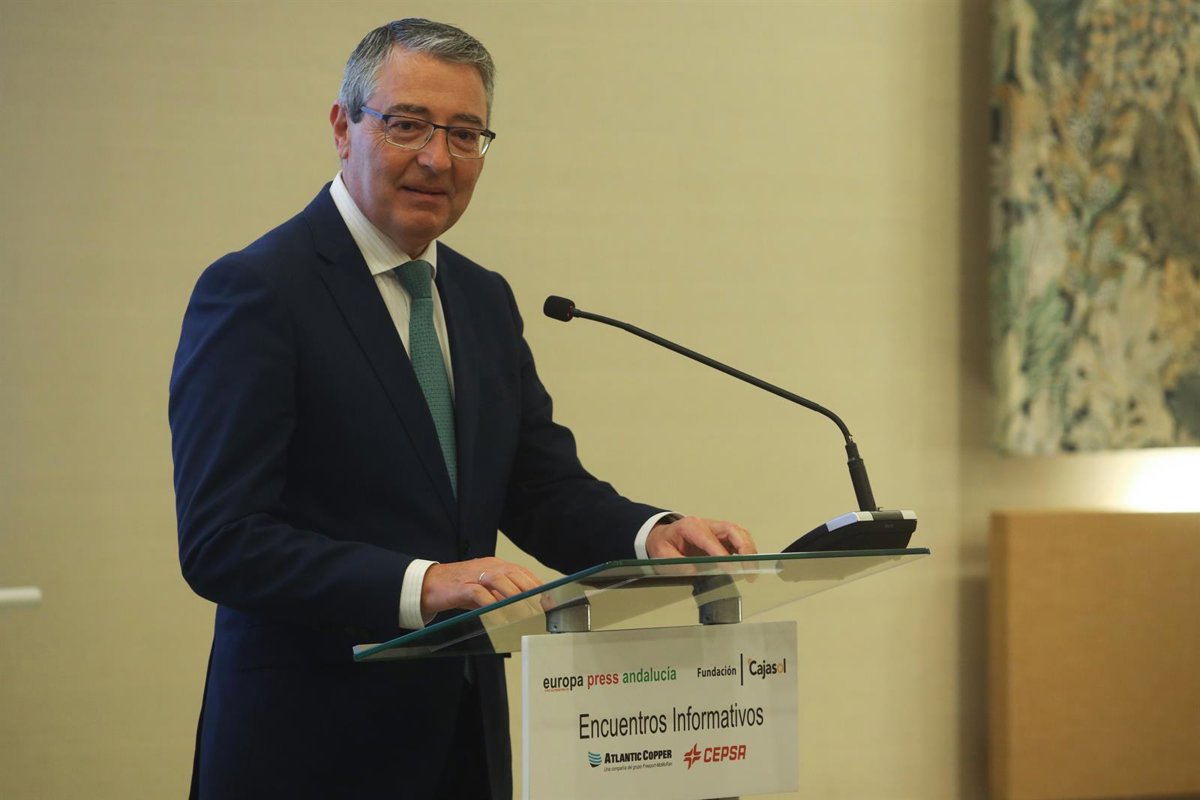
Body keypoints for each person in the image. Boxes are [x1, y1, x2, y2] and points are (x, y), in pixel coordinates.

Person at [169, 18, 755, 800]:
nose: (437, 159)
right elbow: (223, 540)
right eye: (407, 125)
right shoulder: (258, 291)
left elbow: (539, 489)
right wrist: (424, 584)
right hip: (308, 747)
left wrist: (653, 536)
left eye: (465, 134)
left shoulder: (481, 298)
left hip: (464, 740)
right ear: (343, 128)